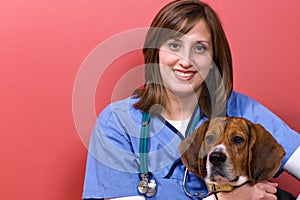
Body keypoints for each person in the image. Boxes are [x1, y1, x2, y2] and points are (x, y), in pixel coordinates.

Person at [82, 0, 300, 199]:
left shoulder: (241, 110)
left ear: (214, 58)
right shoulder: (117, 122)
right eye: (174, 45)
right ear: (155, 51)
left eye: (199, 48)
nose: (186, 61)